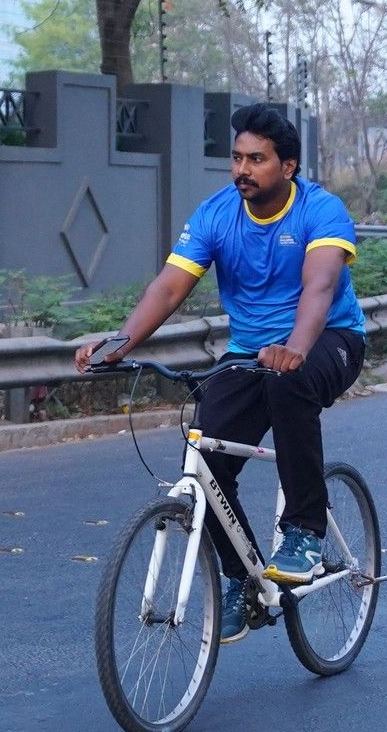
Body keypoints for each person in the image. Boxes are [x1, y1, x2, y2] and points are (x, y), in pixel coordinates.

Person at [73, 104, 366, 634]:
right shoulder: (216, 214)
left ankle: (305, 531)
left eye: (257, 159)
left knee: (289, 383)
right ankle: (244, 580)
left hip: (328, 339)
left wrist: (296, 347)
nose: (242, 170)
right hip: (250, 352)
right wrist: (117, 344)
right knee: (205, 456)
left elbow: (320, 286)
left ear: (288, 166)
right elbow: (168, 288)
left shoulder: (320, 210)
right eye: (236, 158)